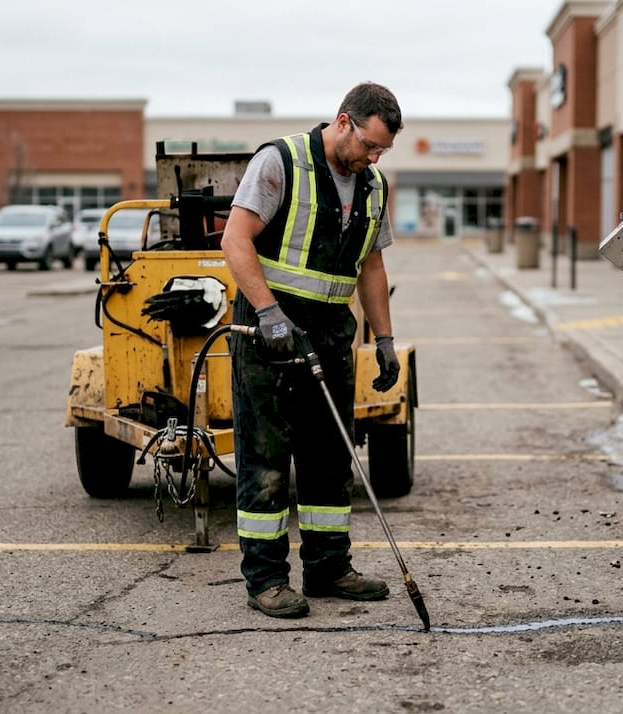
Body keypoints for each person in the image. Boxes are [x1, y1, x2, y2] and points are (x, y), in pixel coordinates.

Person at [220, 82, 403, 618]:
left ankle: (327, 568)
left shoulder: (372, 186)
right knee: (267, 458)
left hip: (329, 332)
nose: (373, 157)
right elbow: (236, 240)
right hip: (267, 329)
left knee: (329, 456)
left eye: (382, 151)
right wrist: (269, 313)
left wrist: (385, 338)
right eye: (369, 144)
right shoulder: (280, 162)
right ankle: (266, 580)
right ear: (344, 121)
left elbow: (371, 265)